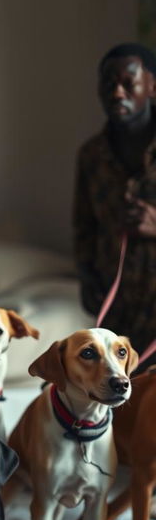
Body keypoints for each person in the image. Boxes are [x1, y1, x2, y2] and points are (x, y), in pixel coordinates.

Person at [73, 42, 156, 366]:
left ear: (151, 86)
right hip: (116, 306)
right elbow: (83, 225)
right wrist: (86, 277)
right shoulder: (91, 155)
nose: (117, 92)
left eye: (128, 83)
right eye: (108, 83)